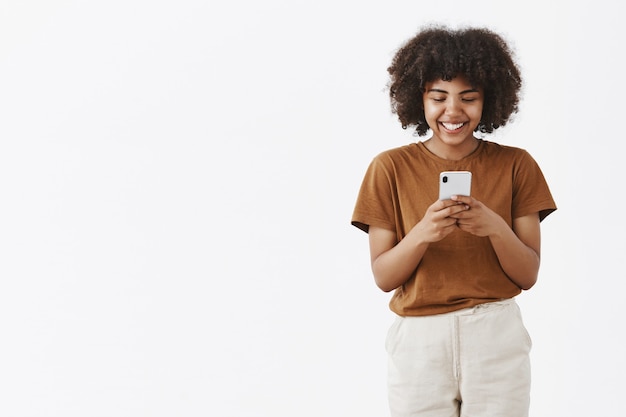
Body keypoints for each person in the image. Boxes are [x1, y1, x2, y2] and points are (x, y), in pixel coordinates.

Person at [351, 25, 557, 417]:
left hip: (496, 333)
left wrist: (494, 226)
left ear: (489, 100)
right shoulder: (388, 168)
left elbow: (528, 274)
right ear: (419, 98)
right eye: (438, 97)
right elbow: (383, 277)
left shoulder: (517, 165)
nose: (453, 111)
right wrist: (423, 234)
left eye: (469, 97)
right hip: (419, 340)